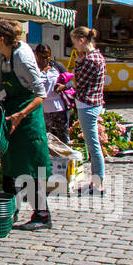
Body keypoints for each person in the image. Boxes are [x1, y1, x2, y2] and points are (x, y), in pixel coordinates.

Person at [0, 20, 52, 230]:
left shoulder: (23, 57)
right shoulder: (0, 56)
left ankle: (42, 215)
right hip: (12, 114)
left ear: (2, 39)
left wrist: (23, 113)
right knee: (10, 164)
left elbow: (41, 94)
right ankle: (10, 210)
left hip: (28, 117)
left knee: (30, 166)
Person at [70, 26, 106, 196]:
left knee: (93, 146)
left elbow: (80, 83)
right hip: (93, 103)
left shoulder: (90, 60)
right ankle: (96, 181)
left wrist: (77, 64)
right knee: (93, 145)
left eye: (75, 42)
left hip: (87, 104)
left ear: (82, 40)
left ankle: (98, 183)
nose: (75, 46)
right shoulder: (97, 56)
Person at [34, 43, 70, 144]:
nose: (45, 60)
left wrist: (63, 87)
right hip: (42, 109)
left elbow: (70, 82)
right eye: (42, 57)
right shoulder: (33, 69)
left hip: (59, 108)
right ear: (36, 56)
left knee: (63, 135)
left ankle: (65, 158)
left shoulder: (57, 66)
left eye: (48, 56)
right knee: (44, 136)